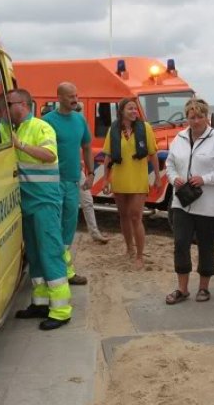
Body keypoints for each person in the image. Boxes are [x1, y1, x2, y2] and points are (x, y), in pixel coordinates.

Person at [6, 89, 72, 330]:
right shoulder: (13, 129)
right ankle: (41, 303)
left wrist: (20, 145)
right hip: (26, 203)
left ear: (22, 104)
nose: (6, 107)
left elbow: (49, 154)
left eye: (9, 103)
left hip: (45, 202)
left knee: (51, 254)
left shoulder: (41, 127)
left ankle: (61, 311)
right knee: (34, 255)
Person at [164, 98, 214, 304]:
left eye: (200, 116)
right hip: (182, 201)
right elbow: (170, 164)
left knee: (205, 245)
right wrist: (173, 178)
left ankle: (203, 288)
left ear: (207, 117)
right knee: (180, 243)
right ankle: (182, 289)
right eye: (191, 117)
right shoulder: (179, 138)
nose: (195, 121)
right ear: (186, 117)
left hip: (208, 203)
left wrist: (204, 179)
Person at [42, 82, 97, 286]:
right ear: (59, 98)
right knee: (52, 228)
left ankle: (66, 269)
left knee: (68, 228)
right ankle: (55, 271)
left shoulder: (80, 120)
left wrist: (91, 173)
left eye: (76, 95)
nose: (75, 99)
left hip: (73, 182)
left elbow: (87, 147)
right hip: (52, 183)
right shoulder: (46, 122)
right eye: (70, 96)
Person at [102, 97, 159, 270]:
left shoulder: (145, 128)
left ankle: (140, 255)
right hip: (119, 179)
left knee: (136, 216)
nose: (134, 111)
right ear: (121, 112)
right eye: (130, 109)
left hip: (138, 179)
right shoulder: (114, 129)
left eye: (135, 109)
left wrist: (157, 177)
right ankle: (129, 248)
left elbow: (153, 154)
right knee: (124, 215)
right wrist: (105, 179)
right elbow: (108, 156)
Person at [74, 101, 109, 244]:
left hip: (78, 170)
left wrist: (89, 172)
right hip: (66, 171)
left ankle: (94, 232)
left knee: (87, 201)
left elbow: (86, 147)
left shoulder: (79, 124)